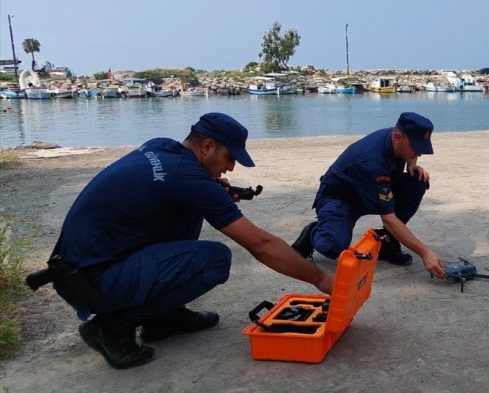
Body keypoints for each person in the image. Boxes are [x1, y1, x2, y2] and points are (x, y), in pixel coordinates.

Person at [50, 112, 334, 370]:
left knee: (191, 207)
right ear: (207, 146)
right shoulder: (186, 177)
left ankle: (162, 317)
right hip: (92, 282)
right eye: (229, 157)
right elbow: (261, 245)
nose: (232, 168)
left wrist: (207, 190)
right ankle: (111, 327)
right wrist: (320, 278)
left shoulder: (161, 146)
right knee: (215, 259)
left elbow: (168, 187)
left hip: (78, 269)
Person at [292, 112, 446, 279]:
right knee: (331, 246)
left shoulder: (397, 137)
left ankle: (388, 242)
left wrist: (411, 163)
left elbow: (408, 154)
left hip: (370, 190)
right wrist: (425, 253)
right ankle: (312, 233)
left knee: (418, 180)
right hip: (340, 198)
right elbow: (388, 218)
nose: (419, 153)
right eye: (416, 148)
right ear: (397, 136)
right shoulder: (372, 162)